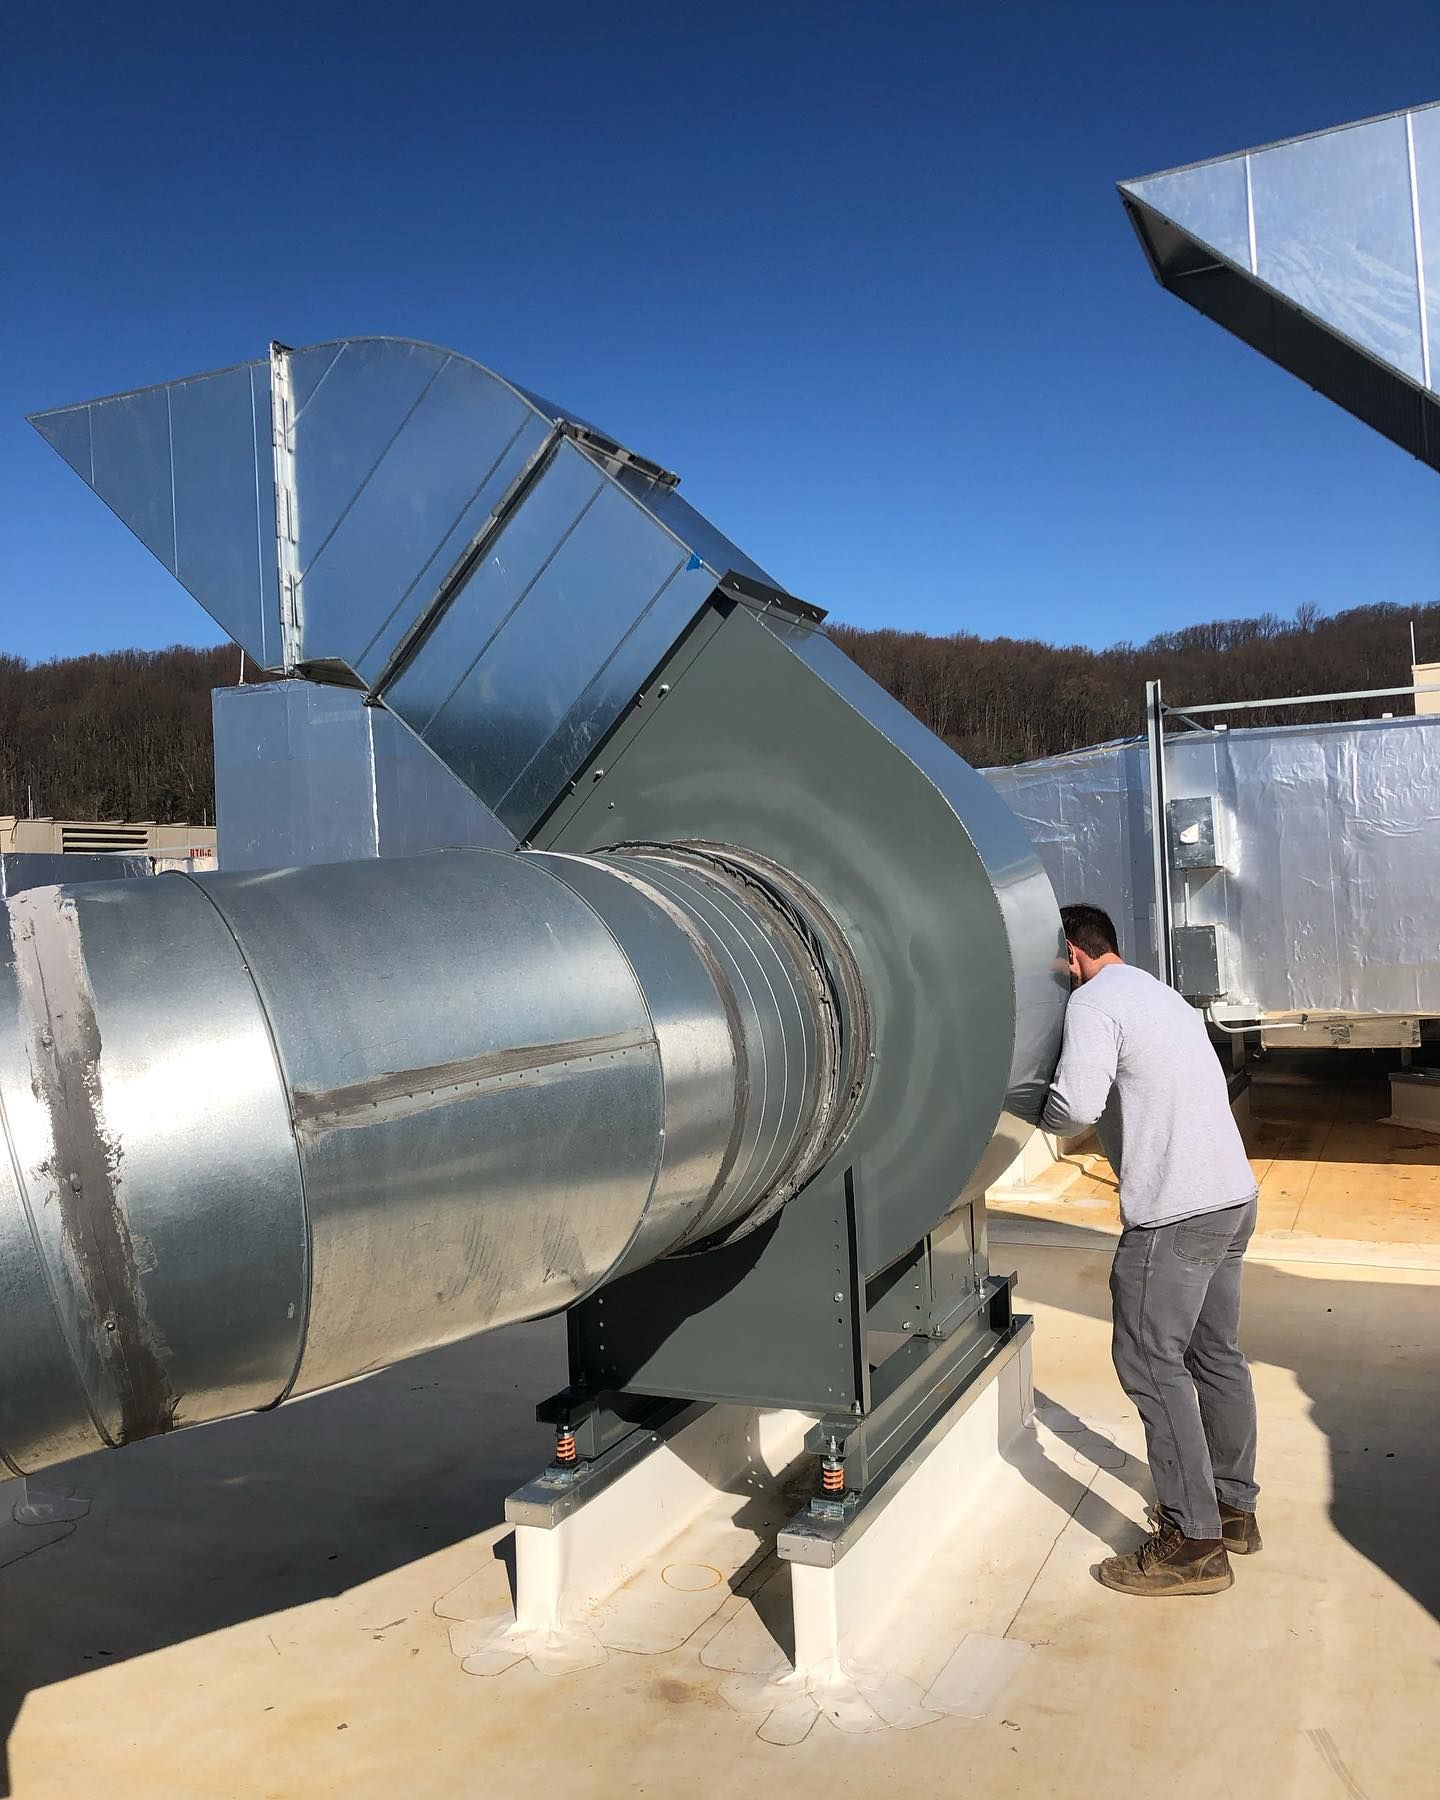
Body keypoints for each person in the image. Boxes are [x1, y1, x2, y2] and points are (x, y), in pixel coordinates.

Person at [1042, 902, 1261, 1597]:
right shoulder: (1158, 992)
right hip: (1233, 1196)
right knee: (1214, 1354)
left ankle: (1192, 1544)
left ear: (1073, 956)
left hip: (1176, 1214)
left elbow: (1074, 1108)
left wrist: (1029, 1107)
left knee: (1148, 1360)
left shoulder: (1094, 1003)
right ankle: (1231, 1511)